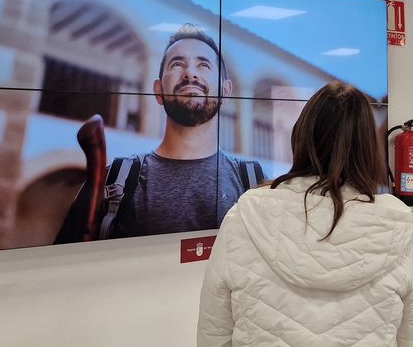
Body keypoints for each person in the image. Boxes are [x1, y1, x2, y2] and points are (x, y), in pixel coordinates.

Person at [196, 81, 413, 347]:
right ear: (368, 146)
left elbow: (213, 344)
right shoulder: (396, 225)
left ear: (301, 136)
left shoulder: (245, 216)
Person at [55, 23, 262, 242]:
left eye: (203, 65)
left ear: (225, 91)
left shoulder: (253, 181)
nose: (190, 73)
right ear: (158, 91)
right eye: (177, 64)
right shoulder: (113, 178)